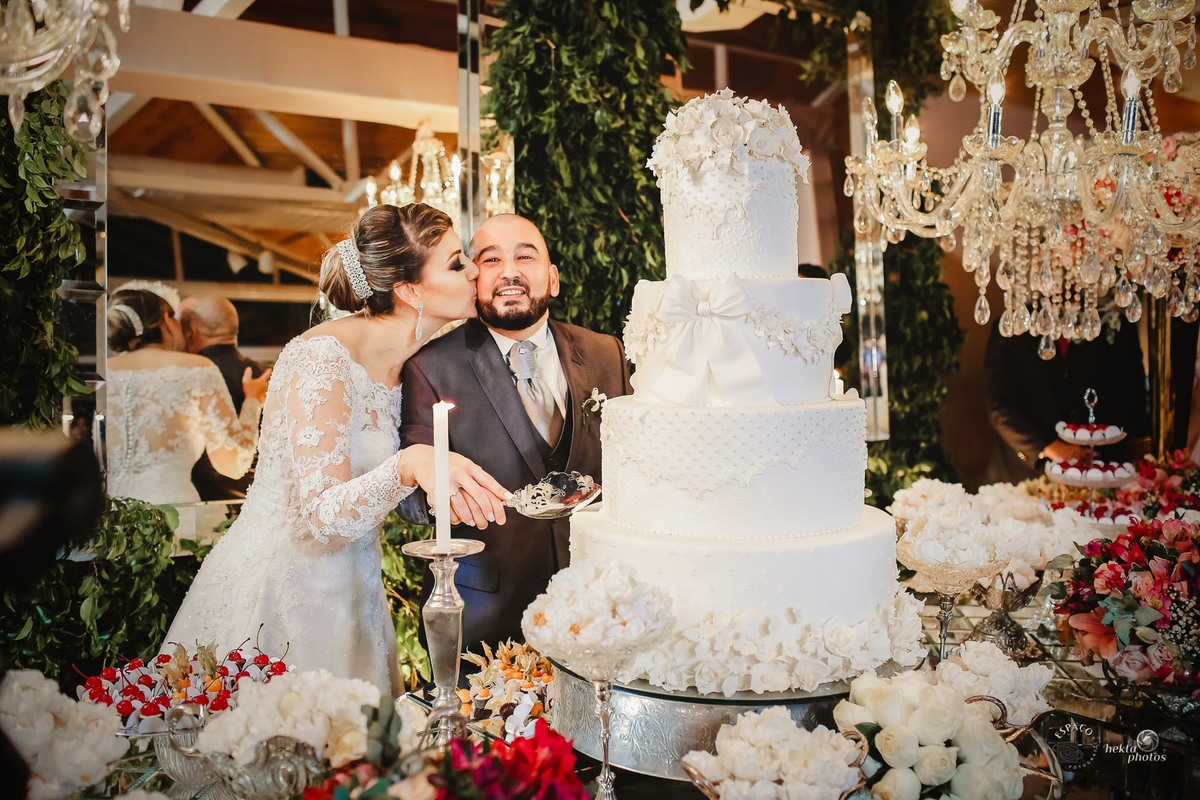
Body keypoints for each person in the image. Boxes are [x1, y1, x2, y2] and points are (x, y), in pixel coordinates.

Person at [162, 203, 509, 695]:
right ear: (410, 290)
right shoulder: (322, 358)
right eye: (457, 264)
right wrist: (409, 465)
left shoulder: (416, 364)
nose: (475, 272)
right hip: (282, 600)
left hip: (355, 590)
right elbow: (322, 517)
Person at [399, 213, 632, 652]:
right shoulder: (429, 367)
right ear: (473, 280)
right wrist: (440, 494)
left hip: (600, 605)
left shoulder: (607, 353)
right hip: (486, 618)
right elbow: (409, 498)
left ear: (553, 278)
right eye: (491, 260)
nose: (509, 272)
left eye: (525, 256)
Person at [106, 289, 269, 521]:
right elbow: (233, 463)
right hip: (172, 513)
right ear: (165, 322)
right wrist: (252, 401)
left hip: (112, 515)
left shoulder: (106, 373)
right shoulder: (196, 368)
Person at [984, 318, 1150, 481]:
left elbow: (1132, 394)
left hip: (1102, 468)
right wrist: (1051, 447)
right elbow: (999, 405)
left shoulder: (1111, 320)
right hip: (1029, 473)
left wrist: (1104, 449)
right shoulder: (1013, 325)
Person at [180, 296, 268, 502]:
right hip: (260, 497)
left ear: (192, 332)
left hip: (205, 499)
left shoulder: (190, 377)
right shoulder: (264, 374)